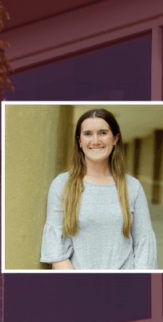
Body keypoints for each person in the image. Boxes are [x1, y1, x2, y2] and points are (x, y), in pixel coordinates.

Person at [41, 108, 156, 270]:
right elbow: (56, 251)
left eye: (103, 133)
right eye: (88, 134)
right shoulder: (62, 185)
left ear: (115, 138)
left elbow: (144, 246)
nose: (95, 141)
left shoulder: (133, 187)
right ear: (79, 141)